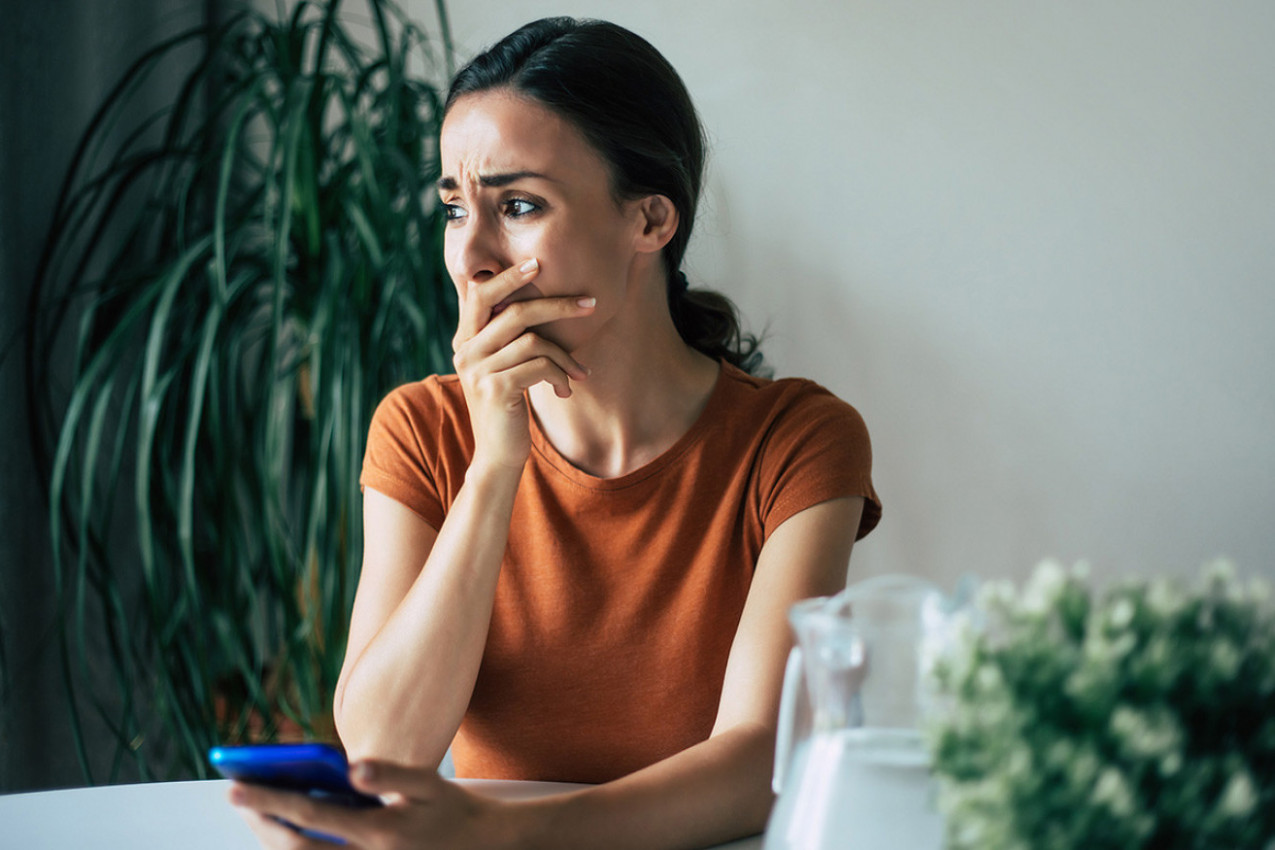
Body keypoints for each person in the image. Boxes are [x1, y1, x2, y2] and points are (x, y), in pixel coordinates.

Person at [230, 16, 880, 849]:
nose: (471, 255)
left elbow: (760, 762)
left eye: (520, 205)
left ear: (651, 221)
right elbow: (383, 752)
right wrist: (495, 466)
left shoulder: (795, 440)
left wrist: (505, 833)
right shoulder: (423, 428)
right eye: (455, 207)